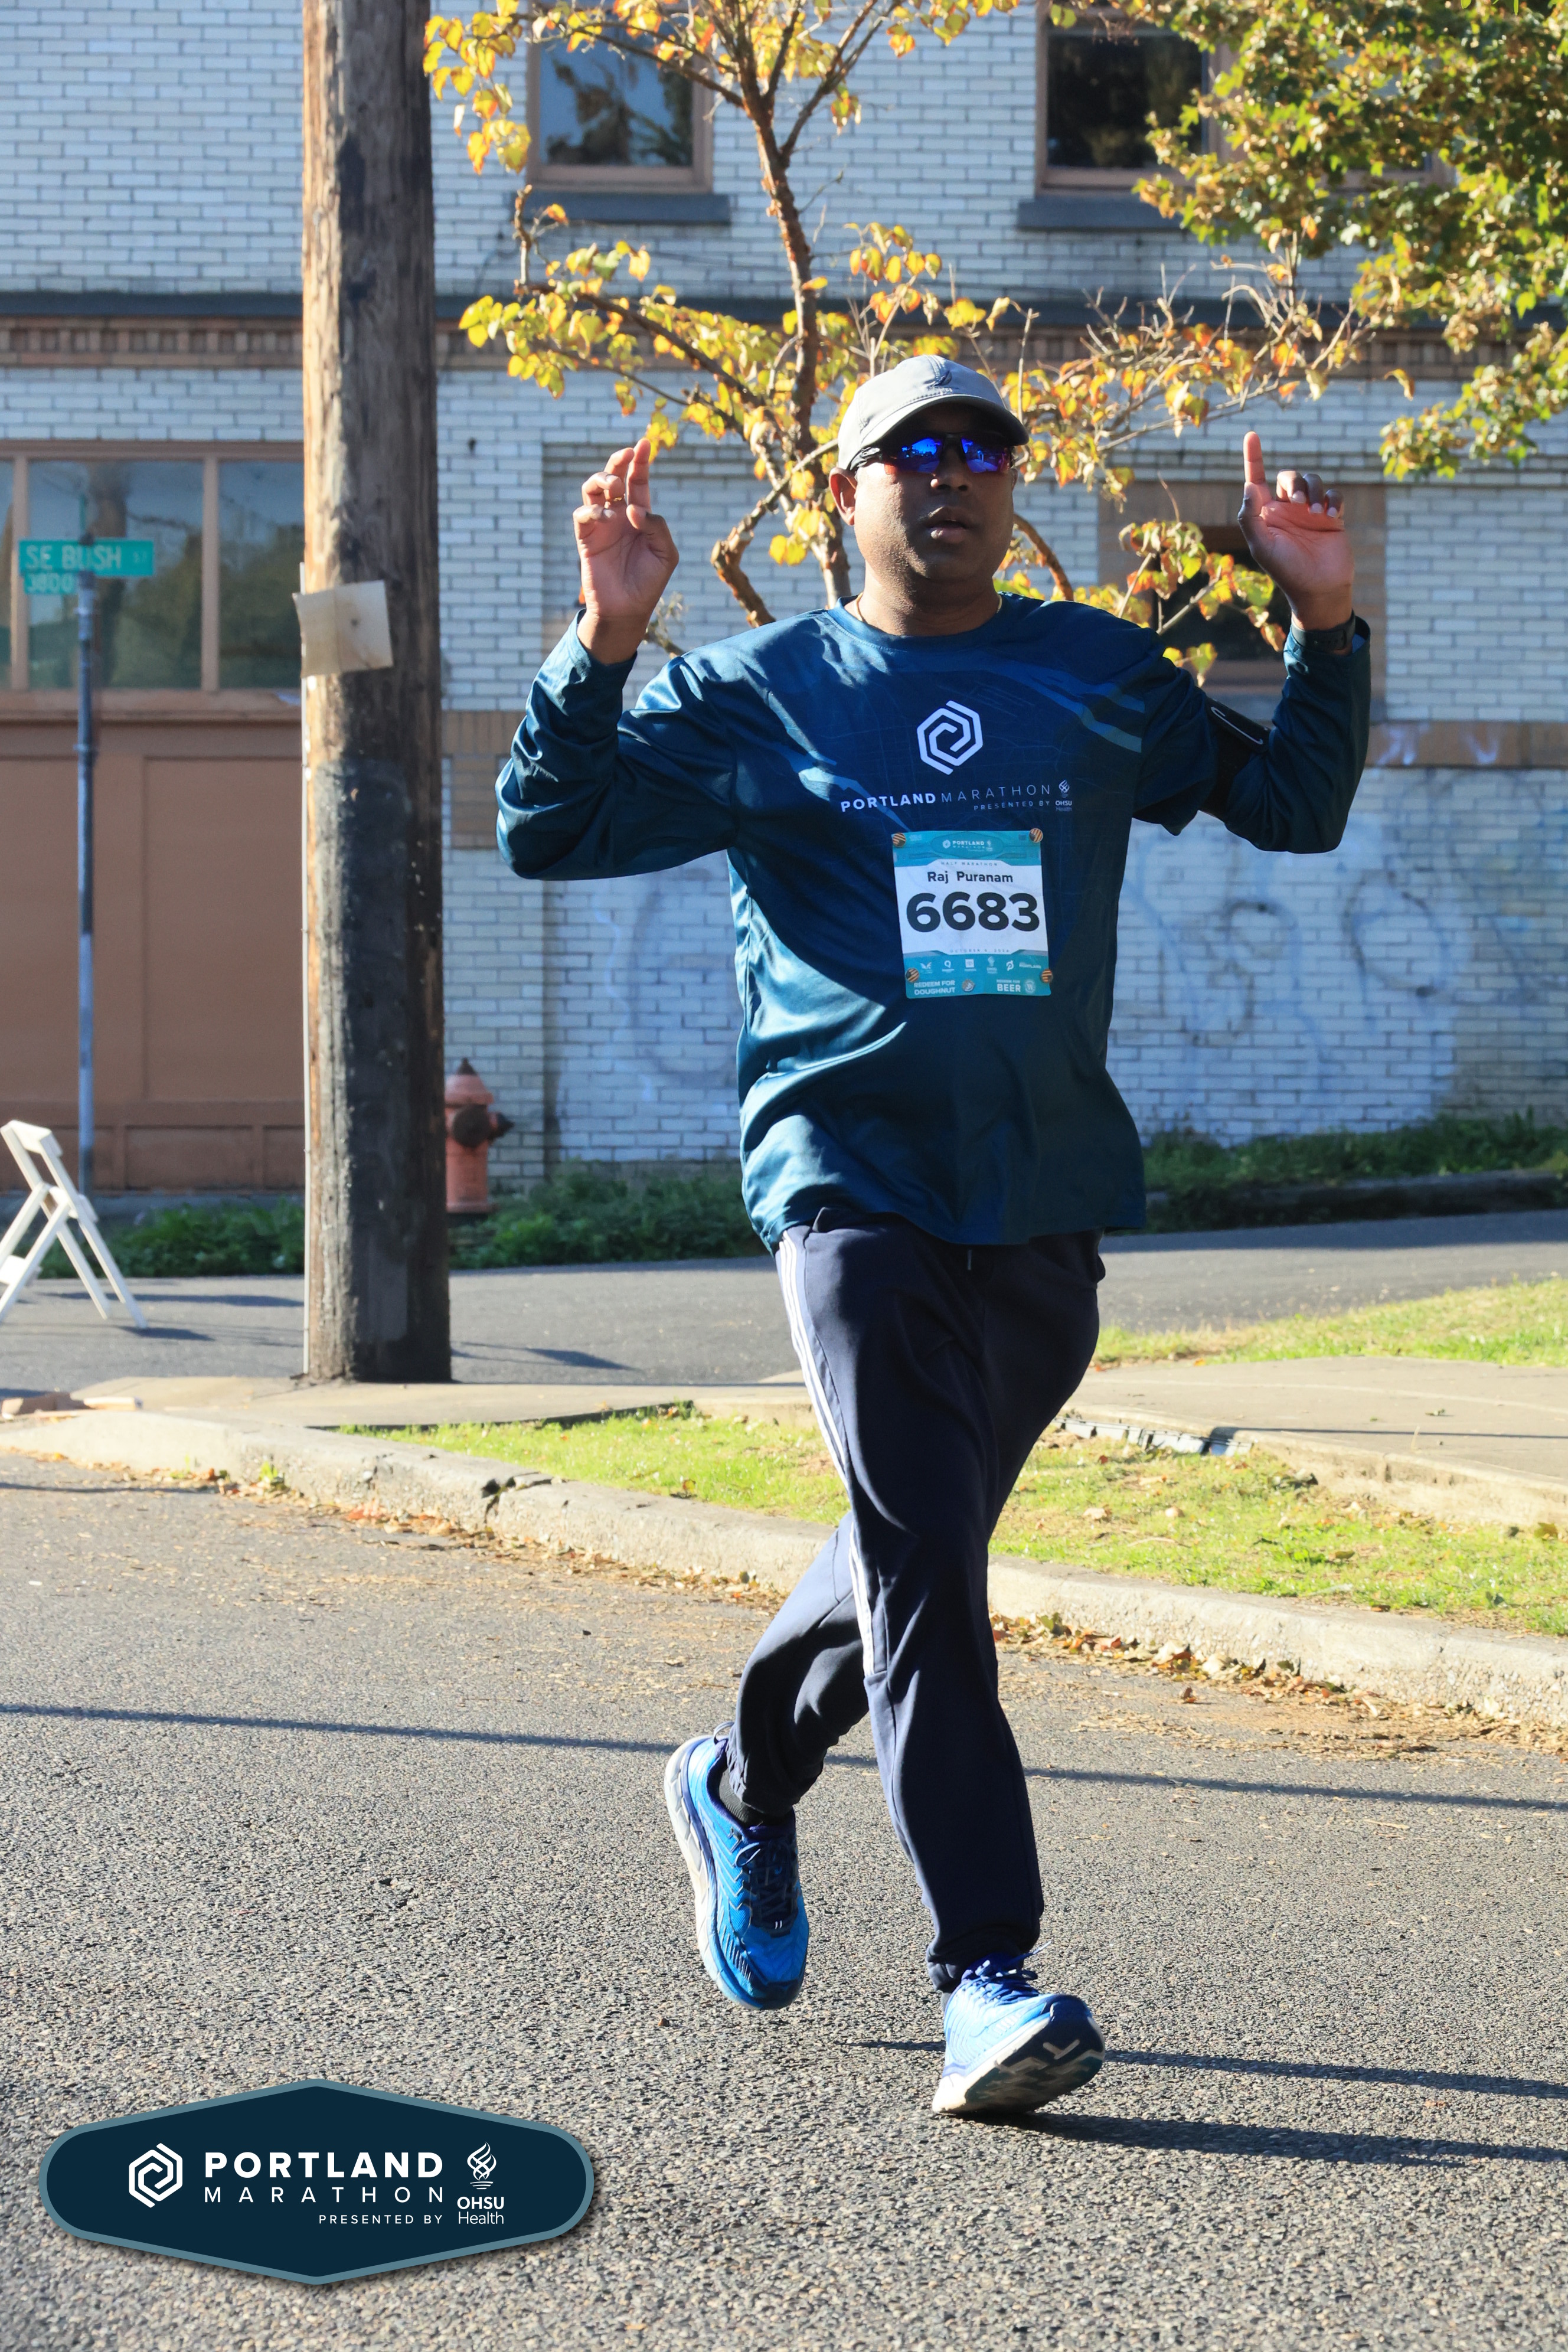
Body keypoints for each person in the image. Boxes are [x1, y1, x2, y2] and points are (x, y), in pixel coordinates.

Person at [496, 354, 1367, 2118]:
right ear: (845, 492)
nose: (953, 473)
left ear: (1013, 484)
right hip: (850, 1179)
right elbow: (546, 826)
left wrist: (1327, 616)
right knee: (927, 1573)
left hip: (1043, 1192)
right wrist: (604, 640)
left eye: (983, 447)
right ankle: (987, 1972)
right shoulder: (759, 692)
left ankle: (741, 1777)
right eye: (913, 450)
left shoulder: (1096, 675)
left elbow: (1296, 804)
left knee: (917, 1547)